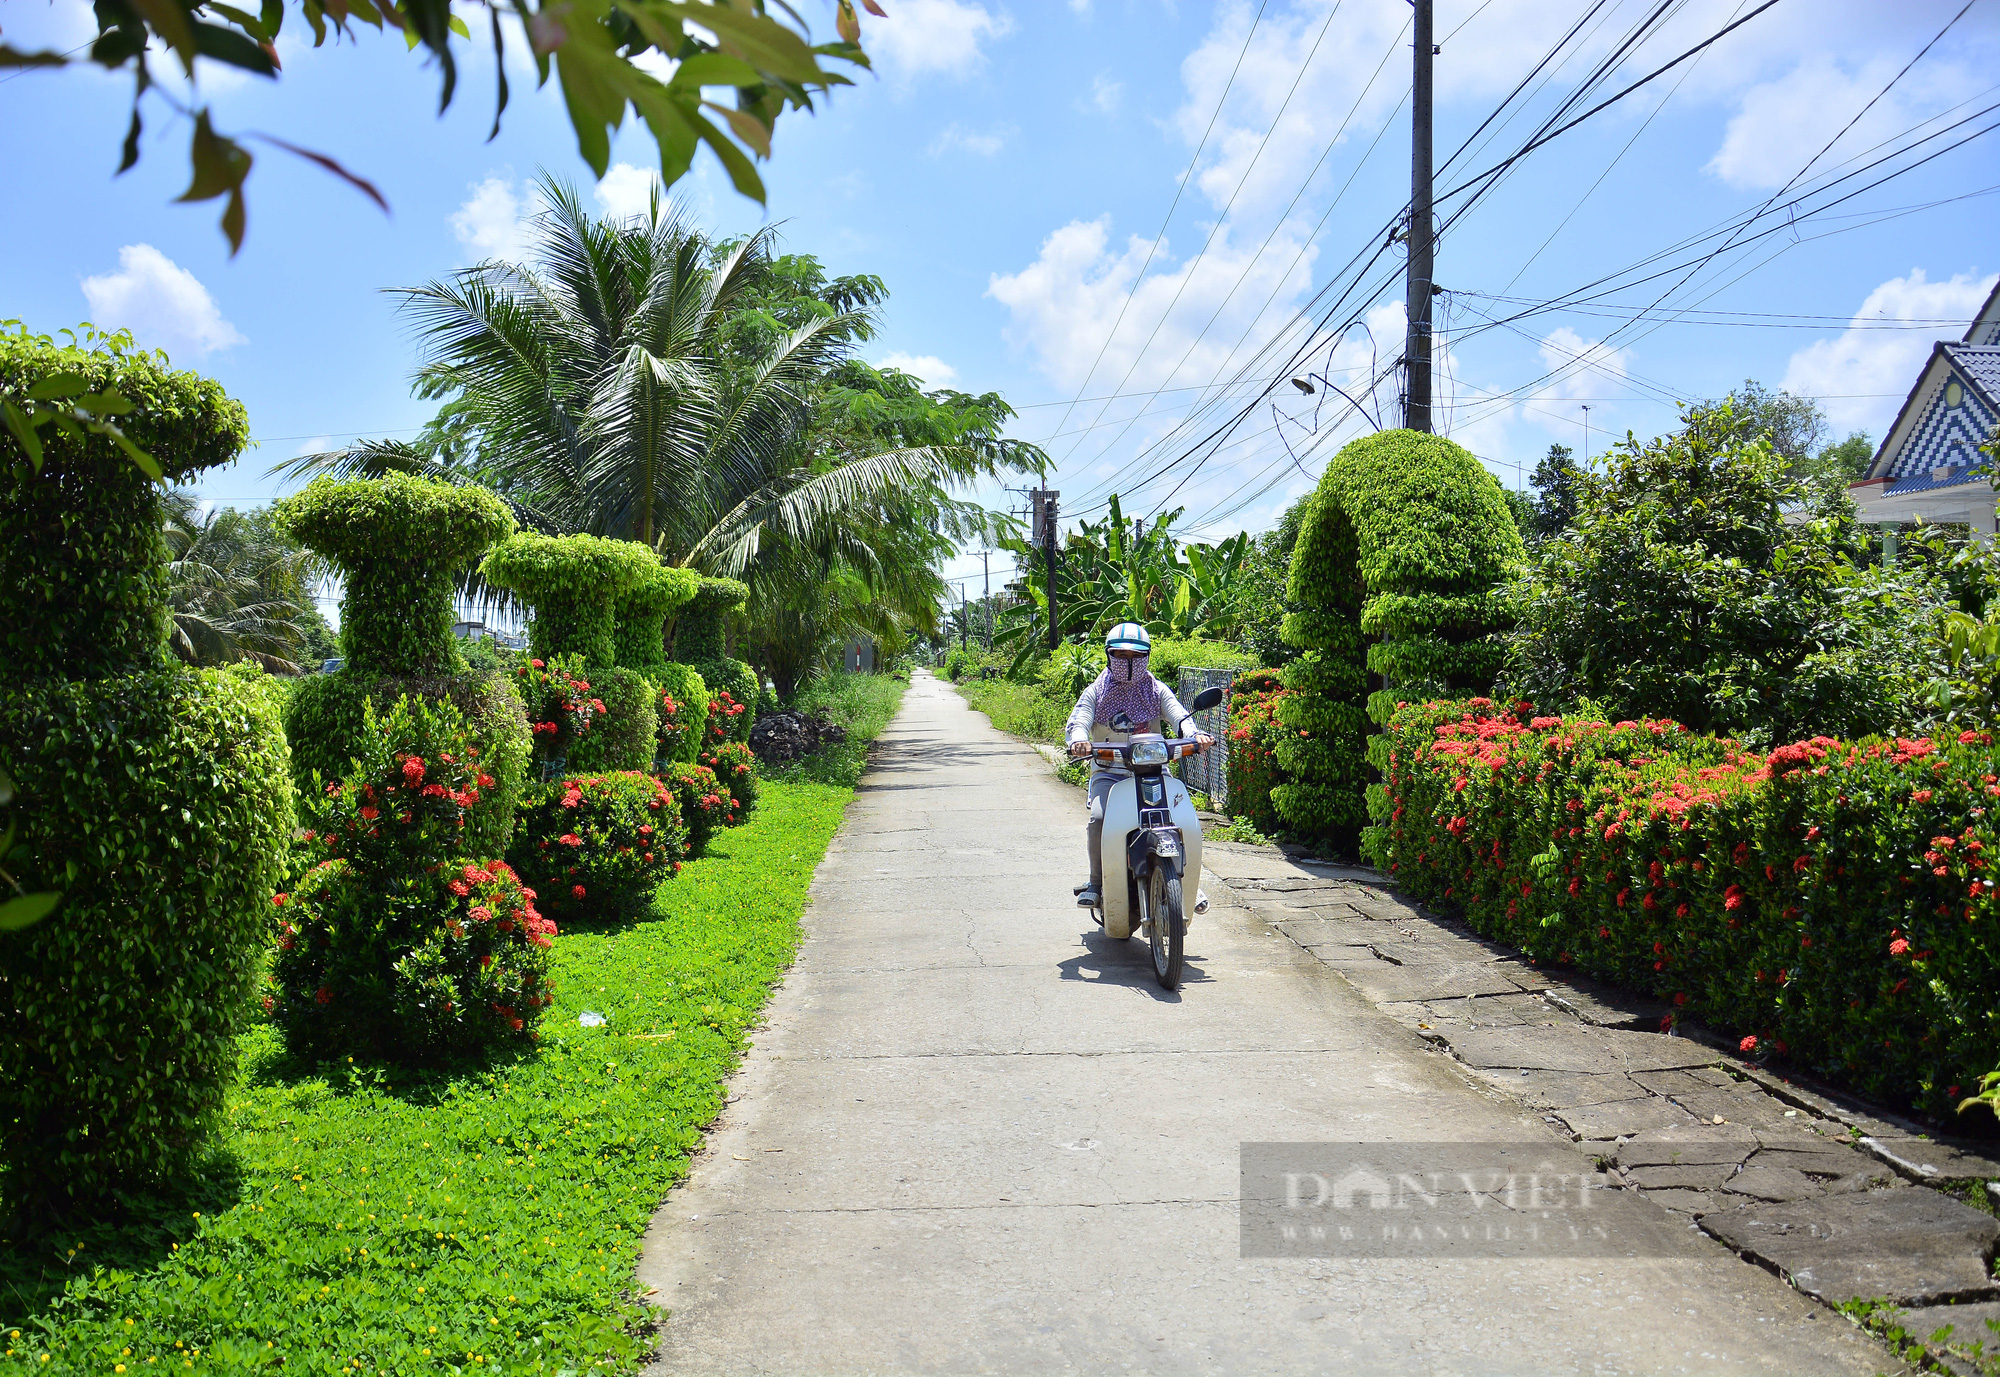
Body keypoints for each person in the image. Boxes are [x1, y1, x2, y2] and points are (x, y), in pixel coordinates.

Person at [1065, 623, 1213, 910]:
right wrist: (1080, 740)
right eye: (1121, 656)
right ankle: (1096, 881)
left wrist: (1194, 734)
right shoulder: (1097, 690)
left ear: (1147, 656)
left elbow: (1179, 715)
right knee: (1098, 819)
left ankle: (1191, 883)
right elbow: (1080, 719)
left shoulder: (1156, 689)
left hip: (1154, 770)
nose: (1129, 663)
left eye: (1136, 656)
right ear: (1109, 656)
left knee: (1184, 821)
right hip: (1110, 771)